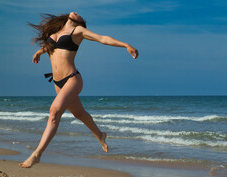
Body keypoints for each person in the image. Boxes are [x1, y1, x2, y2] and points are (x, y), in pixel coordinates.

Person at [19, 12, 138, 168]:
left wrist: (126, 45)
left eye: (81, 16)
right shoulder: (56, 33)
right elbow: (50, 47)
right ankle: (100, 135)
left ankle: (37, 154)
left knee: (54, 112)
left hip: (72, 79)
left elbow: (103, 38)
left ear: (80, 22)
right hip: (57, 82)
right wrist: (38, 52)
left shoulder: (78, 31)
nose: (77, 12)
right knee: (79, 113)